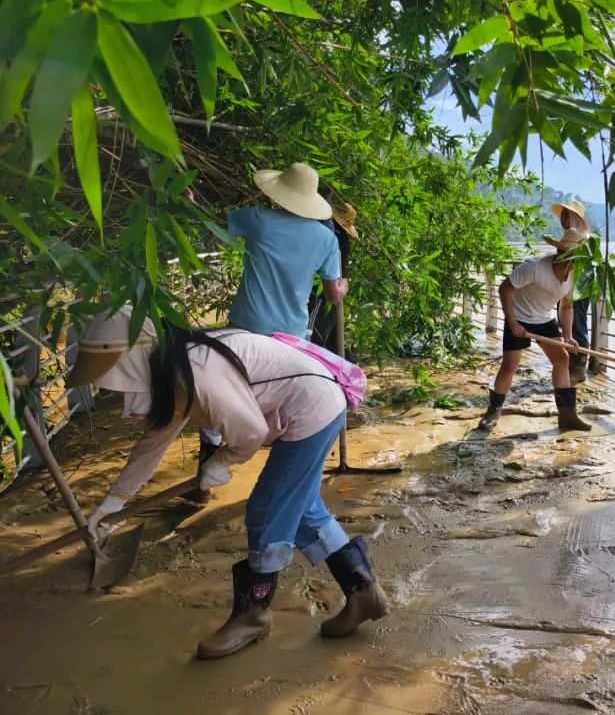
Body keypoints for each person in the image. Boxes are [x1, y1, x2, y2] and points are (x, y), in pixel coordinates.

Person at [69, 306, 389, 659]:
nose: (113, 390)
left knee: (267, 511)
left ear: (133, 360)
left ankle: (253, 616)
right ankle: (363, 592)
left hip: (312, 409)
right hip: (310, 403)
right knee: (300, 508)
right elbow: (154, 442)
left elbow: (249, 431)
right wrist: (114, 502)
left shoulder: (196, 370)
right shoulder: (173, 368)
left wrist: (221, 461)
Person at [197, 163, 349, 500]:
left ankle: (208, 464)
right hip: (289, 339)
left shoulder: (257, 219)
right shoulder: (326, 239)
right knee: (278, 402)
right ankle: (271, 472)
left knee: (216, 393)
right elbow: (332, 294)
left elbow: (214, 224)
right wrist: (343, 286)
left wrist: (191, 202)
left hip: (244, 328)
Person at [477, 227, 592, 433]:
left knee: (562, 359)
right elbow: (505, 289)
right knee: (510, 365)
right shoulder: (534, 266)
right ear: (564, 254)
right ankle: (493, 411)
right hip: (518, 316)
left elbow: (566, 306)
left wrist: (568, 336)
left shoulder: (575, 275)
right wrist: (512, 322)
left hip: (544, 319)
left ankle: (567, 416)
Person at [308, 203, 358, 354]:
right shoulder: (339, 237)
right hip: (334, 290)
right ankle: (349, 366)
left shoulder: (333, 238)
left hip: (324, 293)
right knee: (335, 342)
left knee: (312, 339)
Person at [551, 199, 591, 384]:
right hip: (569, 282)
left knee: (578, 322)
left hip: (580, 284)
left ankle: (579, 367)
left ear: (575, 218)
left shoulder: (581, 236)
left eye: (566, 215)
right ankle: (571, 364)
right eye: (562, 215)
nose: (563, 219)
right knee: (569, 321)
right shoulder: (573, 235)